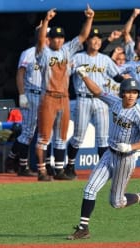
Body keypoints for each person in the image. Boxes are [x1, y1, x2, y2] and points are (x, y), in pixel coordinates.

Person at [67, 68, 140, 240]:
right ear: (122, 93)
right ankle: (83, 228)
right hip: (109, 154)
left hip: (126, 159)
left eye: (135, 92)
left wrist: (131, 147)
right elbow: (98, 91)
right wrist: (84, 76)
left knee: (117, 202)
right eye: (128, 92)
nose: (131, 95)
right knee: (89, 189)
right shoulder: (115, 102)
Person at [35, 6, 95, 181]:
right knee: (44, 137)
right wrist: (46, 21)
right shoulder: (44, 52)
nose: (58, 40)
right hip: (49, 97)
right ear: (49, 39)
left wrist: (90, 19)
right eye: (54, 37)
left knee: (61, 138)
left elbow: (83, 36)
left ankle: (60, 171)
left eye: (61, 37)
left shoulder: (67, 50)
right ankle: (42, 171)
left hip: (64, 98)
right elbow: (40, 42)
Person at [64, 27, 123, 179]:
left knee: (103, 137)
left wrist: (127, 80)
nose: (96, 41)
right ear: (87, 41)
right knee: (78, 136)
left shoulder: (105, 59)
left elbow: (117, 76)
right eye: (93, 38)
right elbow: (64, 74)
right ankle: (69, 166)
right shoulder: (77, 58)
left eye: (98, 38)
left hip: (101, 99)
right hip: (83, 98)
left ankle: (103, 169)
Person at [5, 24, 52, 176]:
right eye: (46, 35)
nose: (49, 39)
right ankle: (23, 166)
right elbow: (20, 74)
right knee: (28, 131)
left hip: (46, 96)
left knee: (45, 132)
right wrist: (22, 94)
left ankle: (12, 158)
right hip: (30, 94)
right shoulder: (29, 53)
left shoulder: (52, 54)